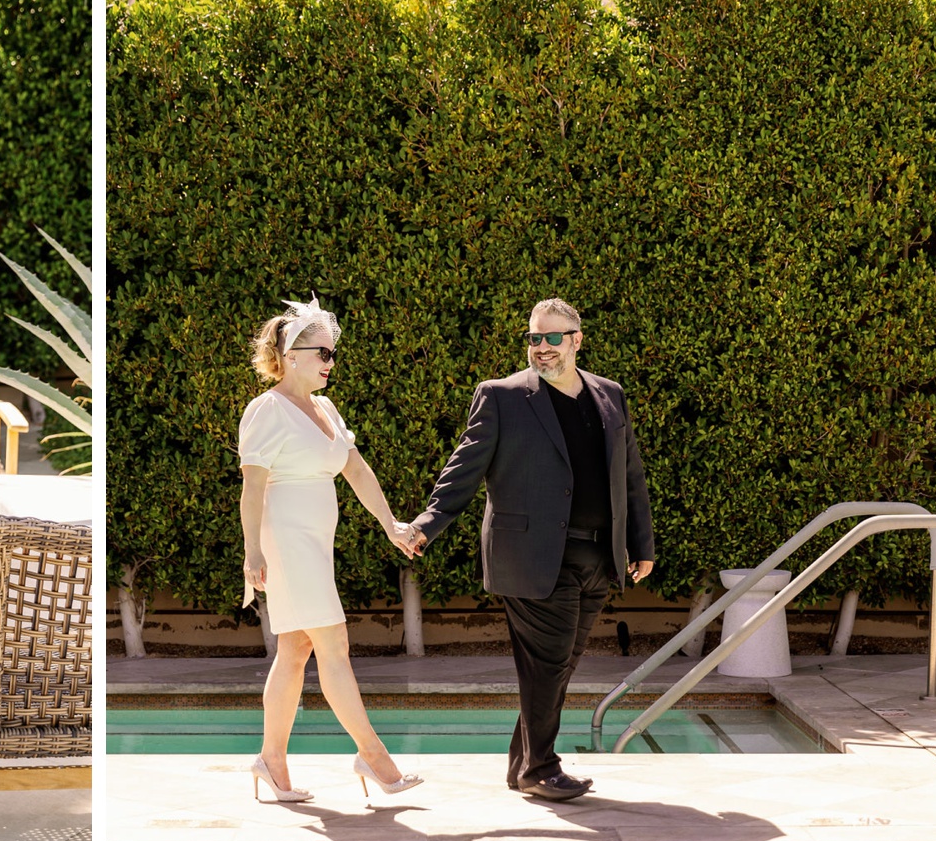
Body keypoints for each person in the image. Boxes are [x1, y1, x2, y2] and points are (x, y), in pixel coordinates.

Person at [405, 298, 655, 801]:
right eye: (533, 338)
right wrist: (428, 522)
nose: (540, 347)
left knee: (559, 664)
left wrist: (640, 543)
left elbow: (628, 475)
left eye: (551, 338)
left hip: (596, 556)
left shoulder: (610, 395)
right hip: (532, 555)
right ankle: (540, 767)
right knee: (547, 662)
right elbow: (465, 465)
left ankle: (522, 762)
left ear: (576, 339)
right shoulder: (502, 396)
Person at [239, 297, 422, 802]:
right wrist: (253, 552)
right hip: (287, 540)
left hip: (317, 542)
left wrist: (390, 524)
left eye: (332, 354)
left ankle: (270, 762)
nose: (330, 363)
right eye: (322, 353)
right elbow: (252, 489)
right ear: (291, 354)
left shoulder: (325, 407)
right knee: (333, 644)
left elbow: (356, 470)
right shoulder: (265, 410)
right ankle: (374, 755)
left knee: (296, 649)